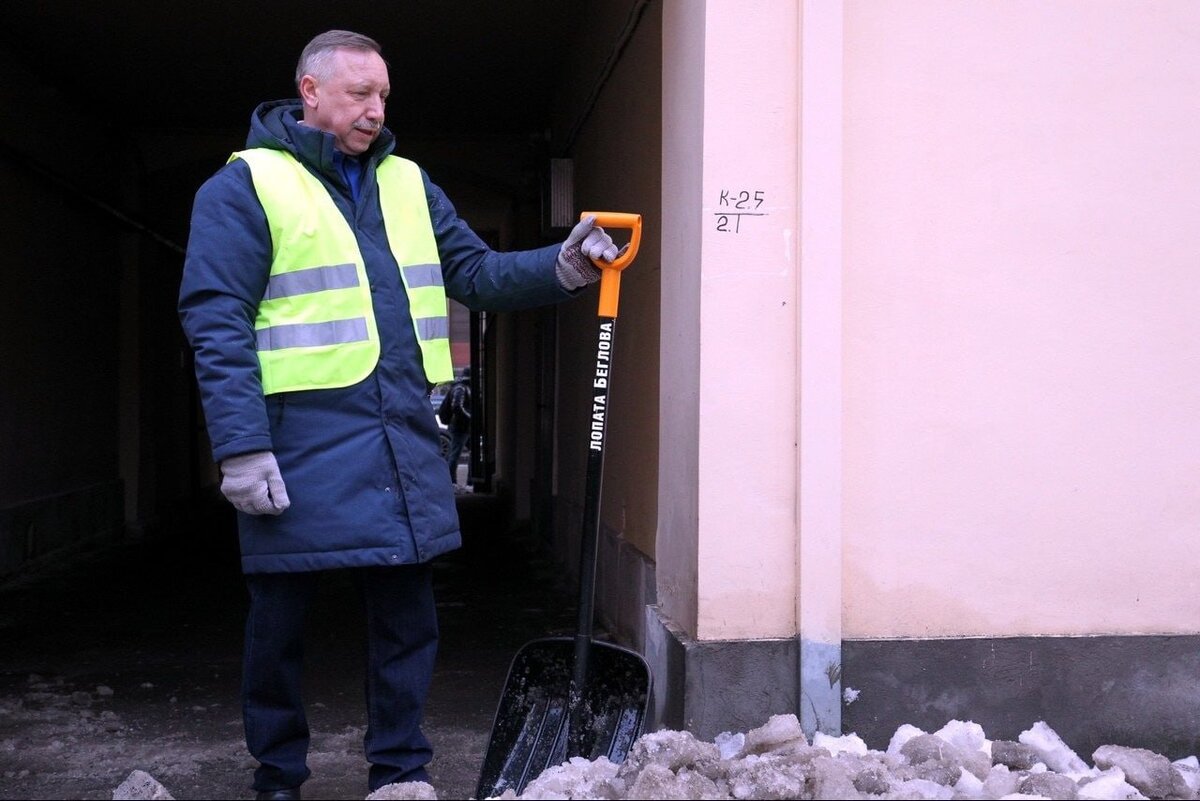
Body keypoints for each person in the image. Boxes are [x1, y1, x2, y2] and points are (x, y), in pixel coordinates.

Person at [177, 30, 621, 801]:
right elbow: (218, 321)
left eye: (383, 95)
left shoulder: (409, 183)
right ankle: (277, 776)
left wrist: (566, 264)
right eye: (359, 94)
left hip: (397, 439)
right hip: (297, 443)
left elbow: (475, 272)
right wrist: (241, 449)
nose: (376, 110)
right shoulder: (244, 188)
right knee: (278, 627)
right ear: (309, 92)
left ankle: (401, 774)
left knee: (407, 623)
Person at [443, 367, 472, 485]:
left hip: (463, 426)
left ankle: (469, 480)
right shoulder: (461, 388)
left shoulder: (461, 387)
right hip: (460, 427)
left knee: (469, 453)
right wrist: (470, 417)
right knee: (454, 454)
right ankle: (451, 482)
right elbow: (456, 406)